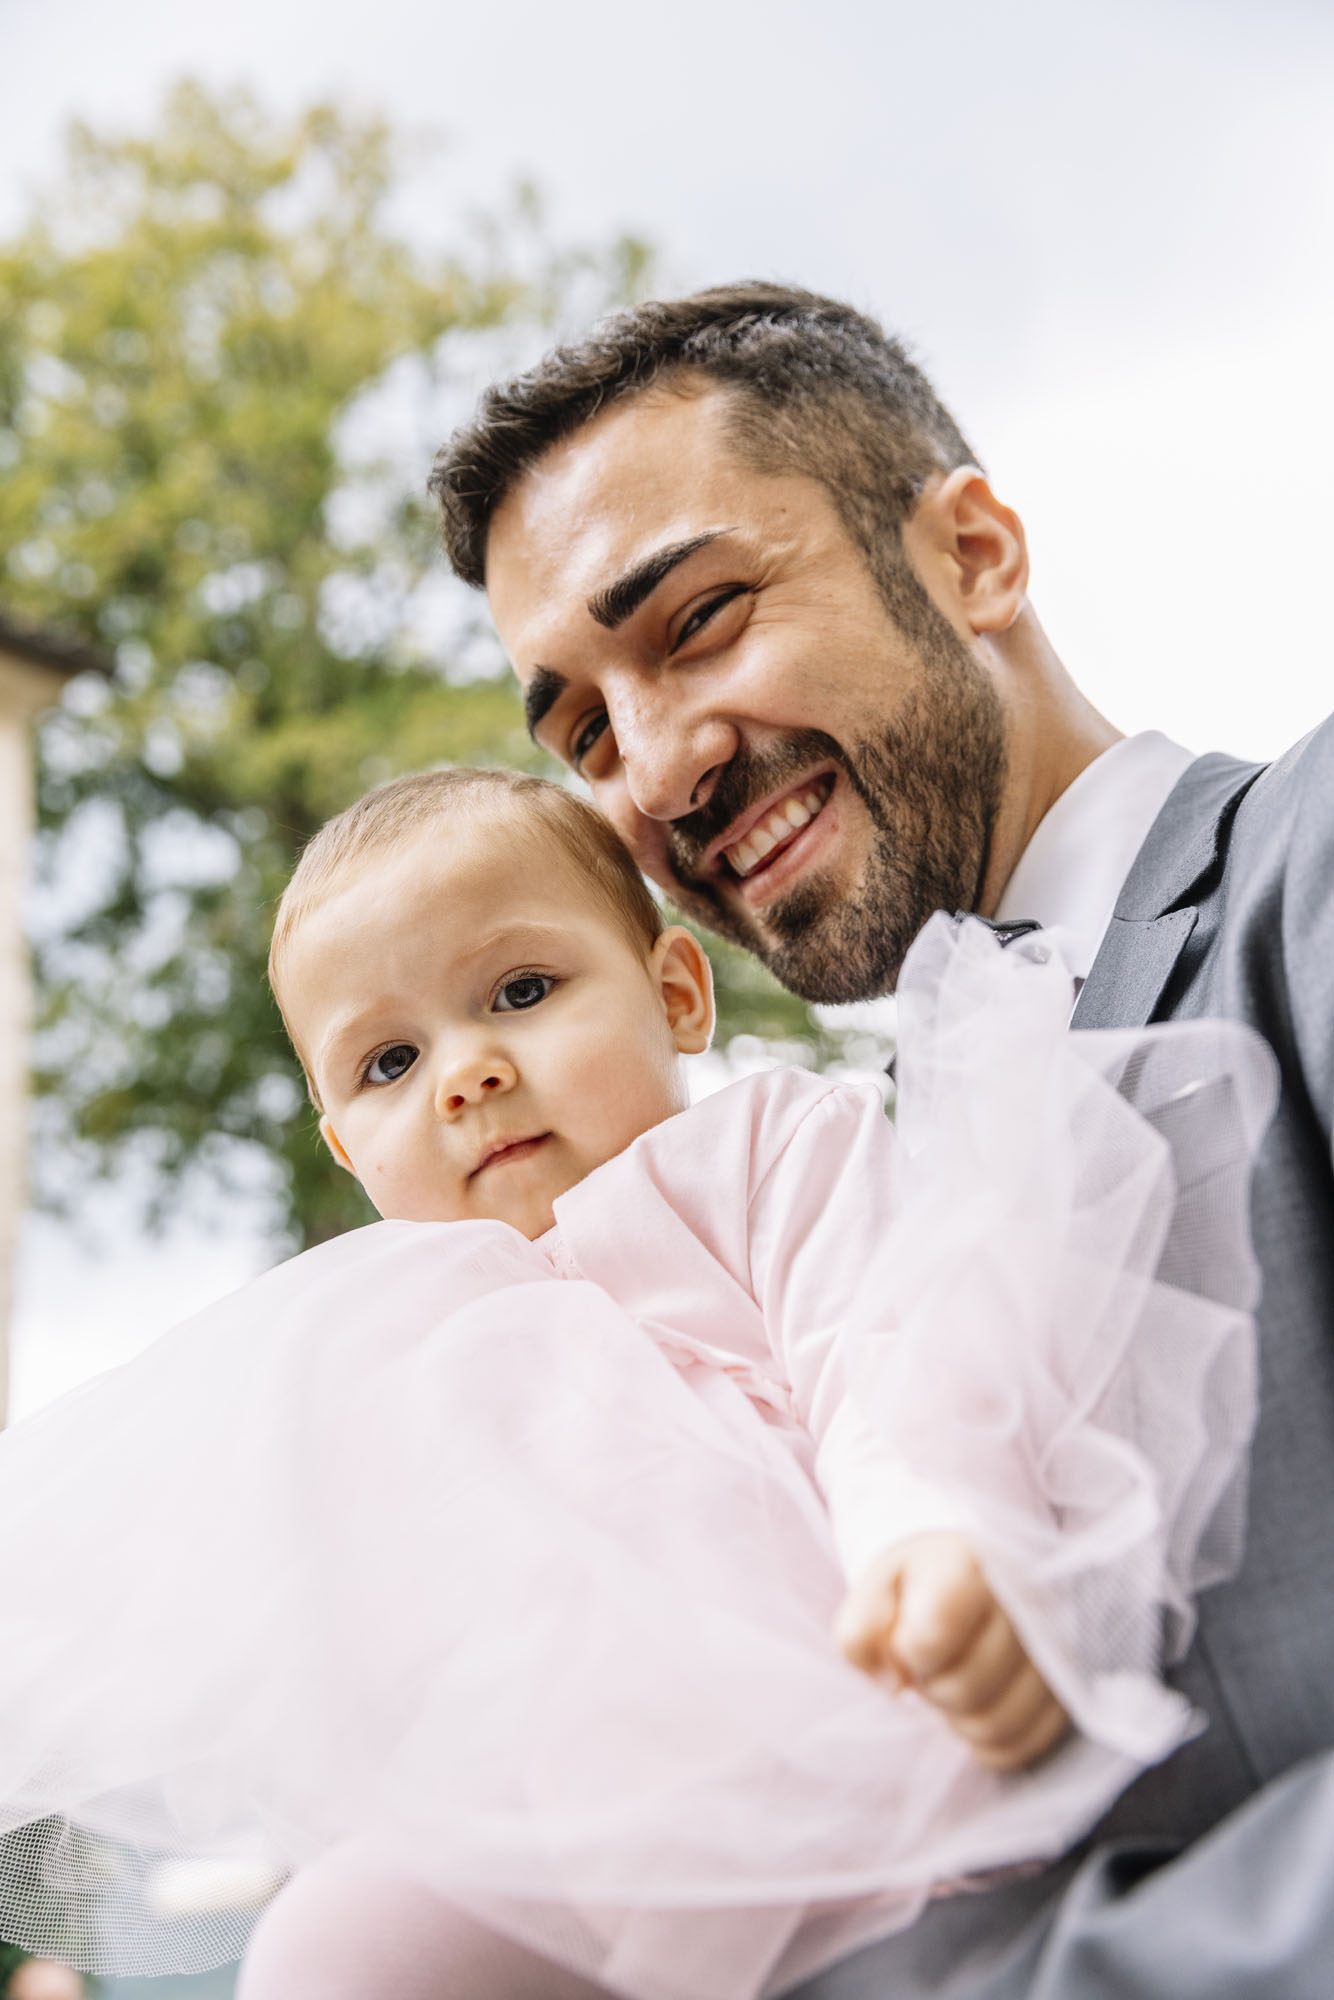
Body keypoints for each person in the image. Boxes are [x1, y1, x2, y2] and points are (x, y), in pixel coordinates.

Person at [0, 768, 1269, 2000]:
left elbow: (887, 1348)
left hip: (830, 1733)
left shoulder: (757, 1152)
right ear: (343, 1144)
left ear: (673, 993)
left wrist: (933, 1536)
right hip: (569, 1819)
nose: (464, 1071)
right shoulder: (404, 1333)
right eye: (386, 1064)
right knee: (326, 1950)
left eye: (520, 988)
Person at [428, 281, 1334, 1997]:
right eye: (579, 728)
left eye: (695, 621)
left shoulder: (1315, 853)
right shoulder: (812, 1230)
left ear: (974, 553)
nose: (659, 764)